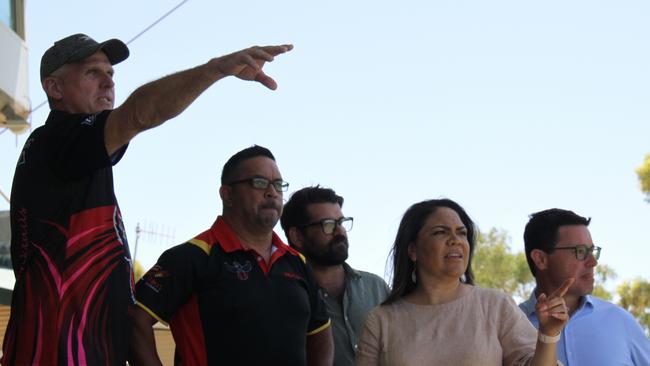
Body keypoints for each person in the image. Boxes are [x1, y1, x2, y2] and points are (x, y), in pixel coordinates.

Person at [2, 32, 292, 365]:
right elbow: (139, 113)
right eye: (92, 73)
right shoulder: (58, 140)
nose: (108, 83)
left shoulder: (73, 153)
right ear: (54, 88)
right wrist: (216, 69)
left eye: (111, 74)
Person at [130, 145, 333, 366]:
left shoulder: (297, 262)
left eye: (278, 185)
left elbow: (321, 333)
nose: (272, 192)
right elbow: (134, 321)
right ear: (227, 194)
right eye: (259, 182)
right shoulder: (192, 257)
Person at [356, 198, 573, 366]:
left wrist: (548, 333)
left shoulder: (495, 305)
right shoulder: (382, 320)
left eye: (462, 233)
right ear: (412, 249)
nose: (456, 240)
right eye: (440, 232)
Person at [520, 208, 650, 365]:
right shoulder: (509, 325)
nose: (593, 262)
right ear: (540, 259)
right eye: (580, 251)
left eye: (592, 251)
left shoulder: (620, 321)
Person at [280, 186, 389, 366]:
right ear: (297, 237)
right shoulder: (287, 297)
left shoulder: (376, 287)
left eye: (342, 222)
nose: (340, 232)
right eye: (328, 225)